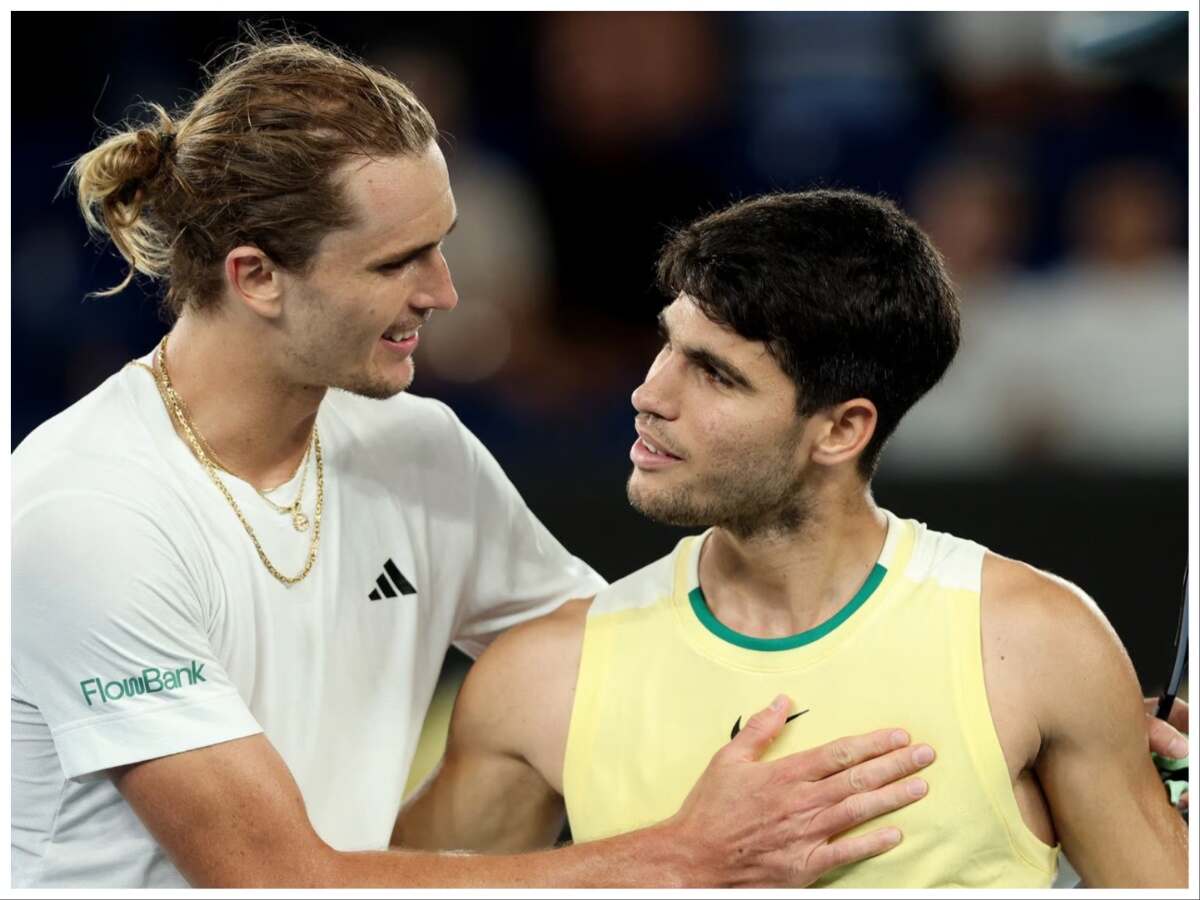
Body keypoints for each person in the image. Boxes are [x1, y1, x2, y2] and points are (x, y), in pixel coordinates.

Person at [10, 37, 940, 889]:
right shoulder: (91, 511)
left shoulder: (421, 449)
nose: (446, 292)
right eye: (397, 264)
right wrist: (684, 856)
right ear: (256, 277)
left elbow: (620, 664)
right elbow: (276, 881)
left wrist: (948, 730)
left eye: (444, 243)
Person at [394, 191, 1190, 888]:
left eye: (714, 374)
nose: (649, 394)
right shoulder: (543, 678)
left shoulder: (1038, 644)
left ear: (841, 430)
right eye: (668, 344)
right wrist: (669, 862)